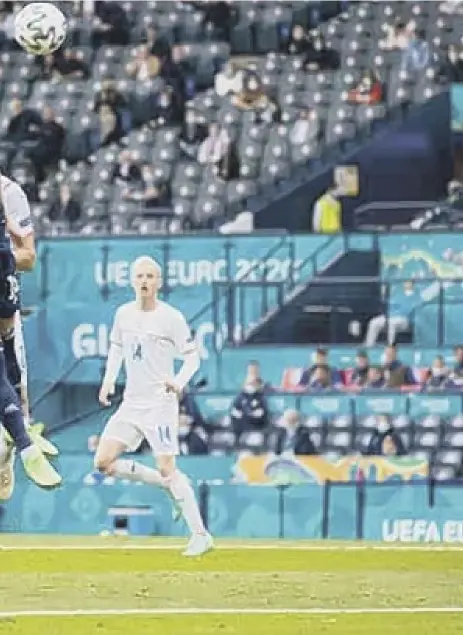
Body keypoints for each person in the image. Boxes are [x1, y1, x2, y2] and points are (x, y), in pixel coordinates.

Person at [96, 256, 213, 556]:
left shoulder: (170, 317)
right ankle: (165, 485)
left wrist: (179, 381)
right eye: (140, 276)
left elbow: (193, 356)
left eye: (150, 276)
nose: (145, 281)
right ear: (132, 280)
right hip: (131, 402)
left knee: (167, 466)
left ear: (159, 282)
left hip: (160, 403)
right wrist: (109, 380)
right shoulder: (122, 314)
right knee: (103, 462)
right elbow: (117, 348)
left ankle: (200, 535)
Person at [0, 172, 61, 497]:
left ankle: (13, 447)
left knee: (12, 378)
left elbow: (29, 256)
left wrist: (3, 259)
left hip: (2, 294)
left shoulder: (9, 192)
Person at [365, 280, 418, 347]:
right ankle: (369, 346)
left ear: (413, 284)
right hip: (390, 316)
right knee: (374, 322)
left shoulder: (415, 295)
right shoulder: (398, 294)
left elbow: (409, 309)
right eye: (405, 282)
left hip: (405, 319)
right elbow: (389, 306)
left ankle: (390, 347)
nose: (406, 284)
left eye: (408, 282)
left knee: (391, 322)